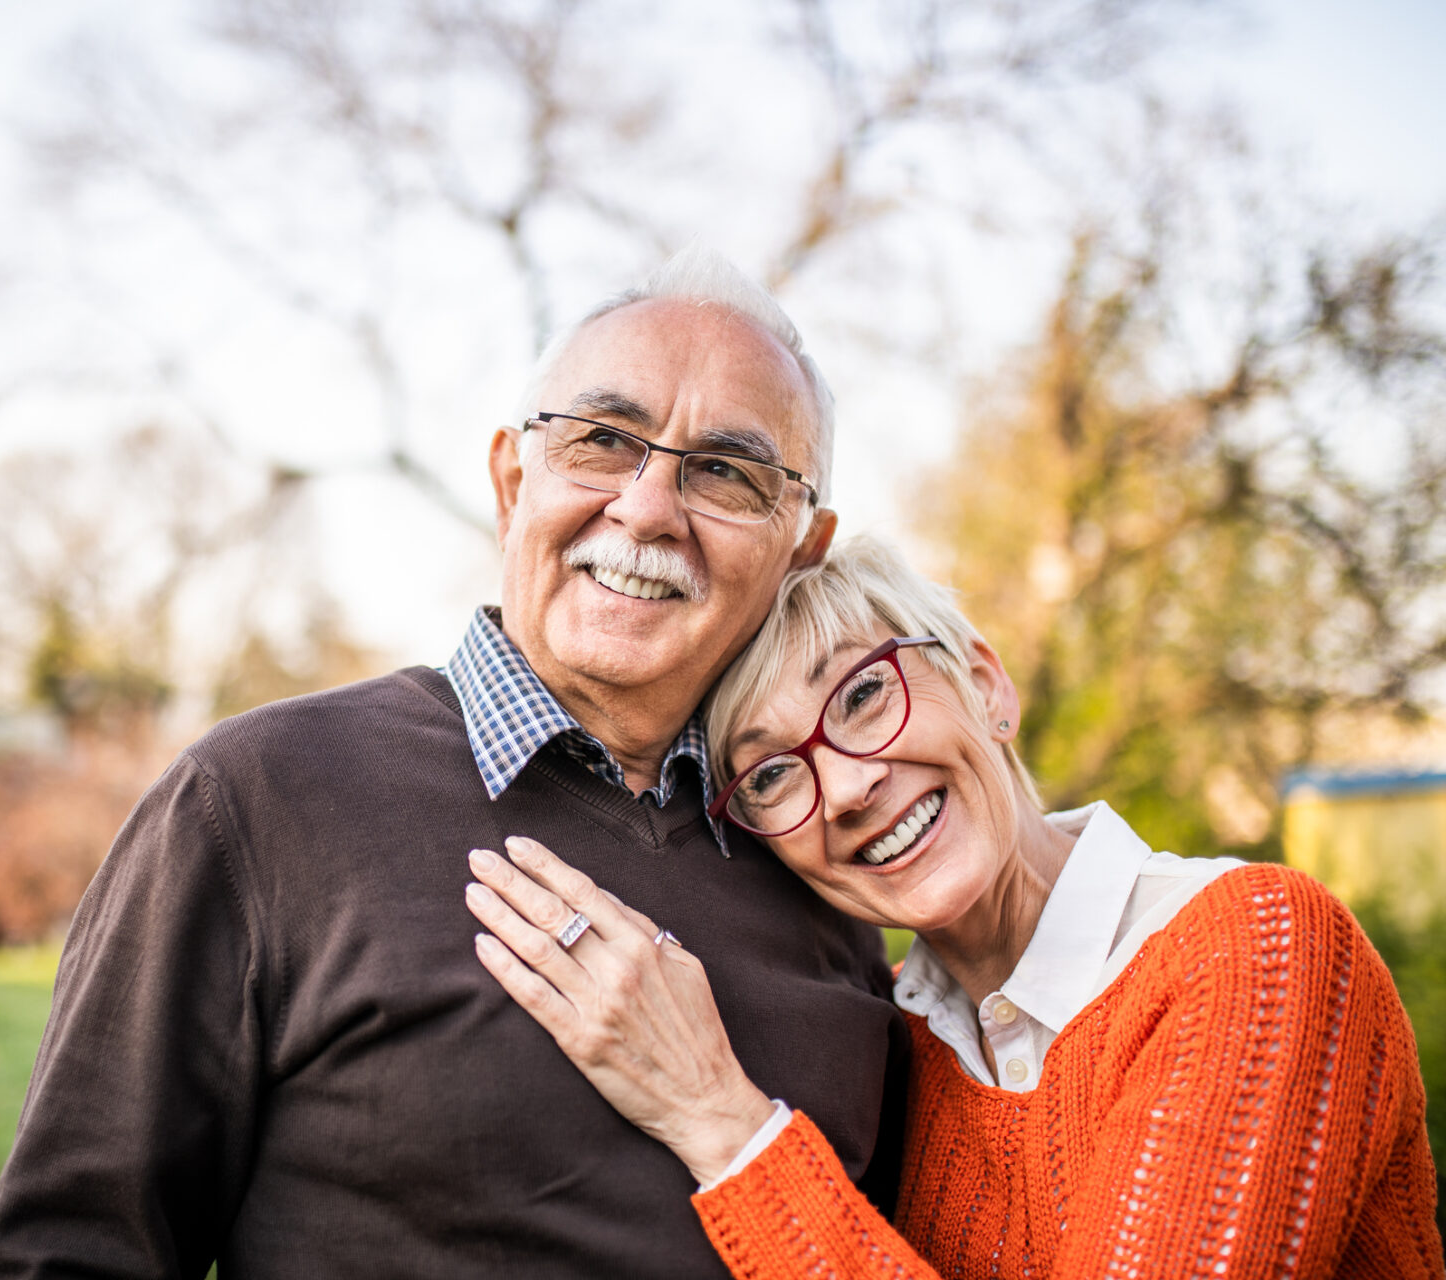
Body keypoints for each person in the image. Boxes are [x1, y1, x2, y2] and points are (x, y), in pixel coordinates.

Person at [0, 248, 912, 1279]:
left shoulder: (827, 863)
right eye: (604, 440)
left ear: (802, 547)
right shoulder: (259, 797)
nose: (647, 510)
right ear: (514, 477)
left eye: (725, 471)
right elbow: (69, 1255)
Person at [467, 534, 1445, 1279]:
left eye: (858, 696)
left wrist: (723, 1124)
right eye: (770, 773)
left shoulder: (1258, 947)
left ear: (985, 684)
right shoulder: (886, 1042)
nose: (845, 787)